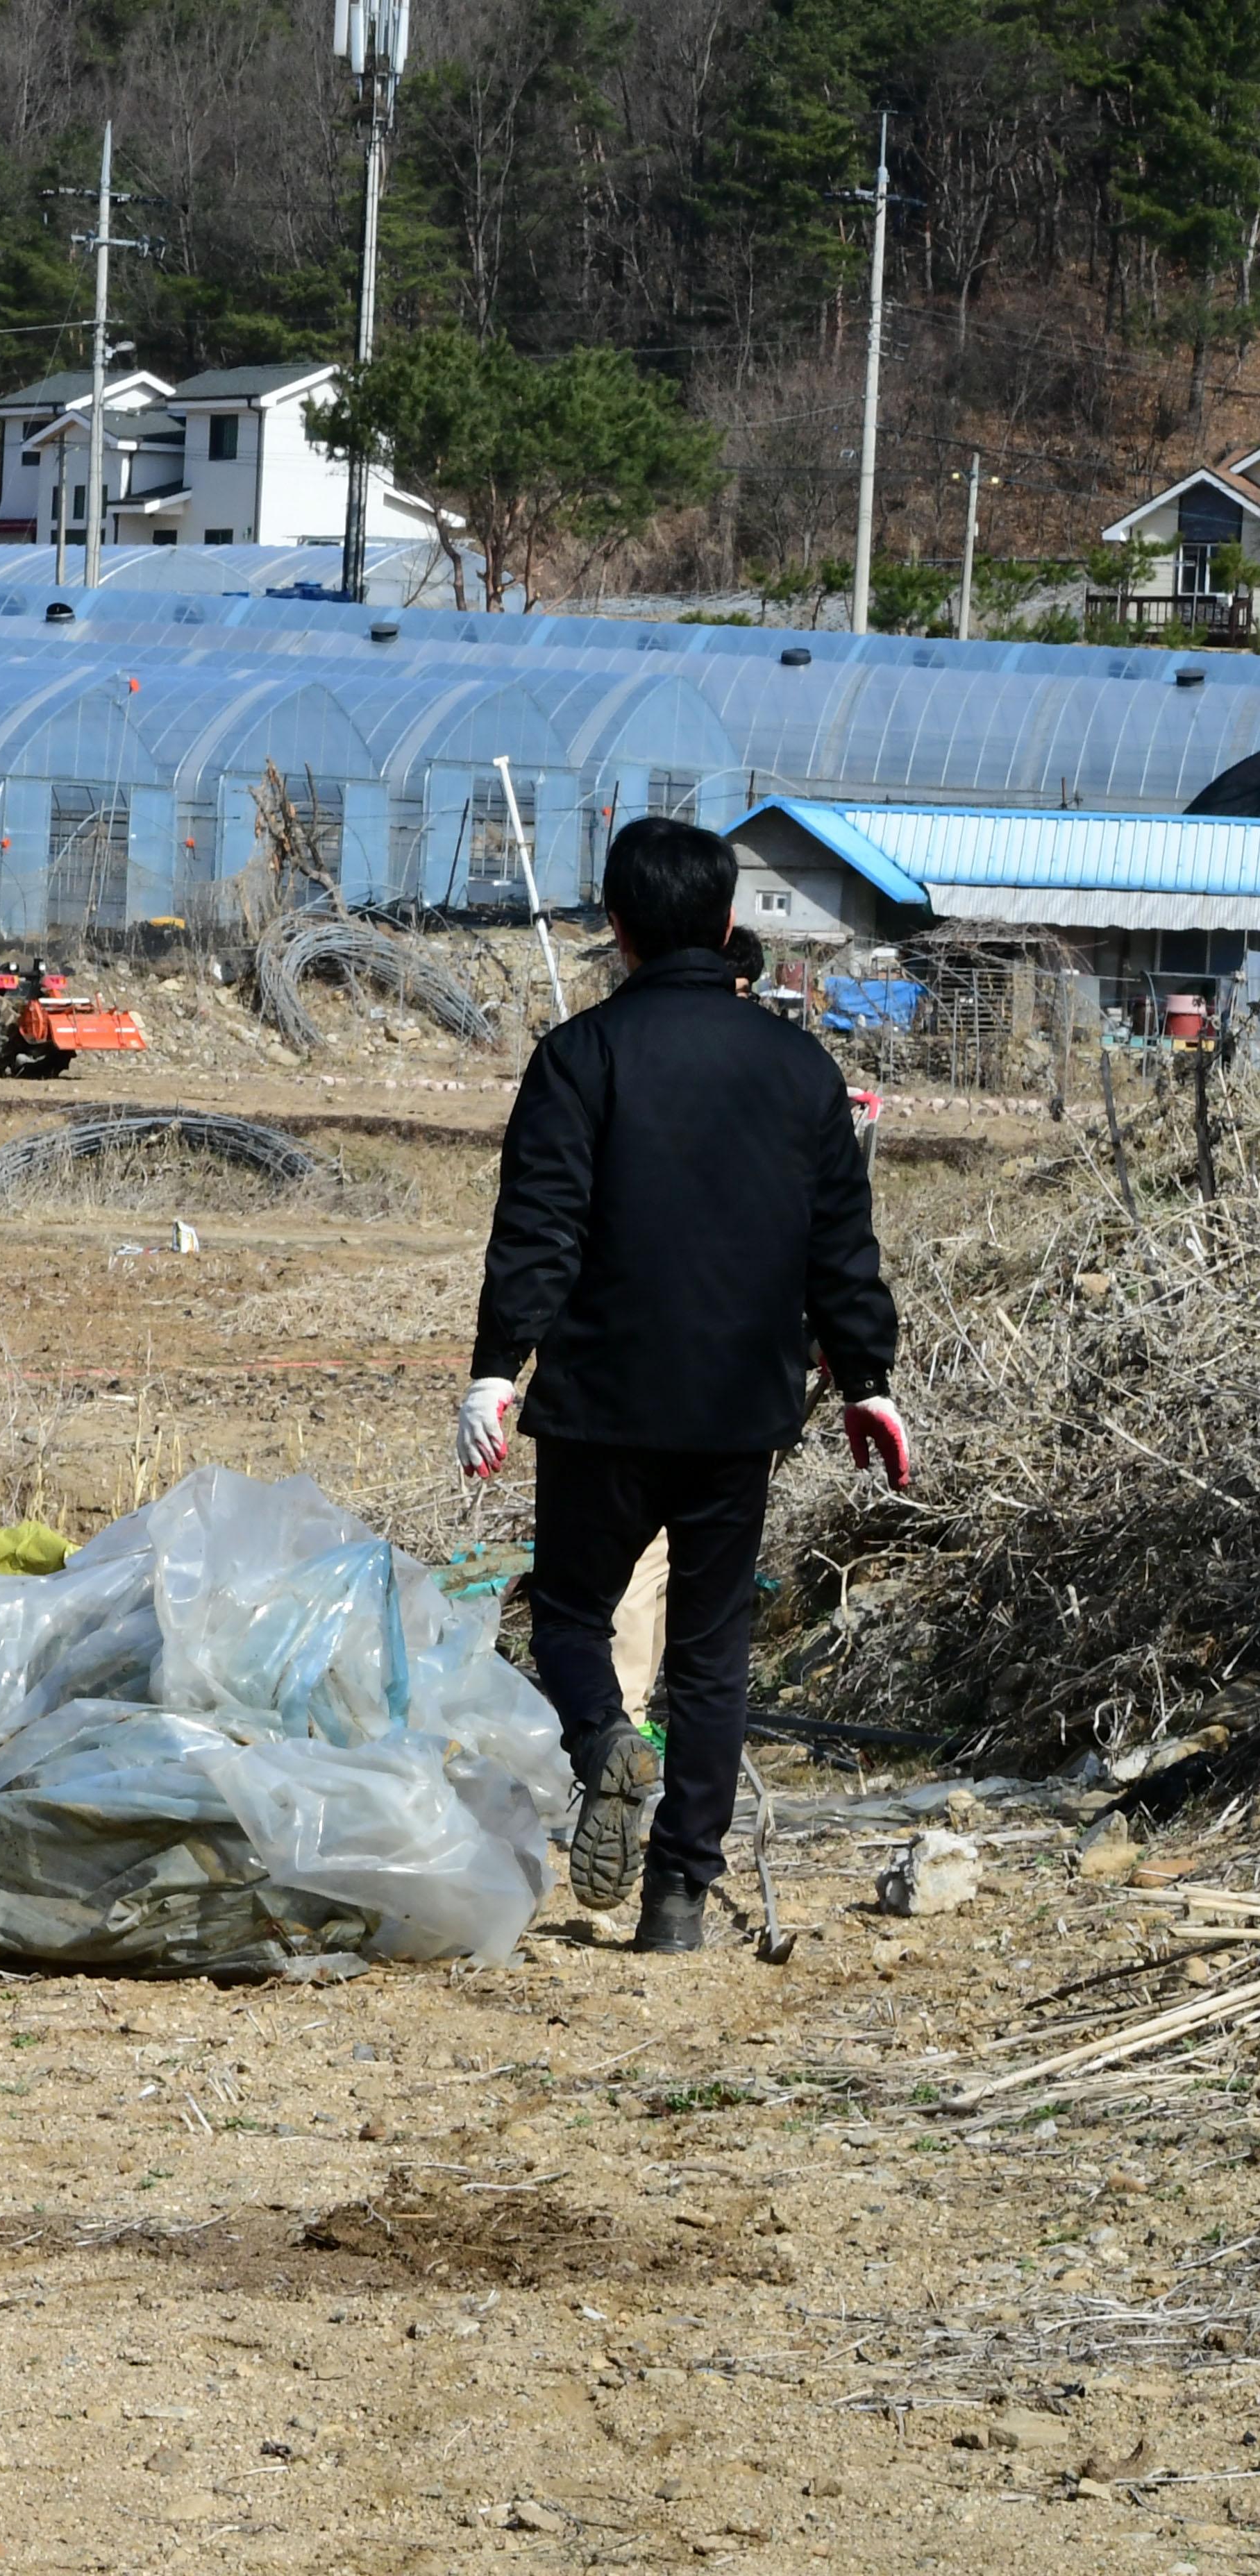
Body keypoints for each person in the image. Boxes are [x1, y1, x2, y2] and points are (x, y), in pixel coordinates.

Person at [462, 816, 908, 1954]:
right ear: (726, 926)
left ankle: (604, 1737)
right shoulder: (798, 1068)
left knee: (565, 1610)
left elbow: (536, 1233)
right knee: (710, 1656)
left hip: (600, 1404)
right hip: (734, 1412)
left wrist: (495, 1371)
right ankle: (673, 1902)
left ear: (615, 929)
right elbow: (837, 1248)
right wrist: (866, 1377)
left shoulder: (577, 1058)